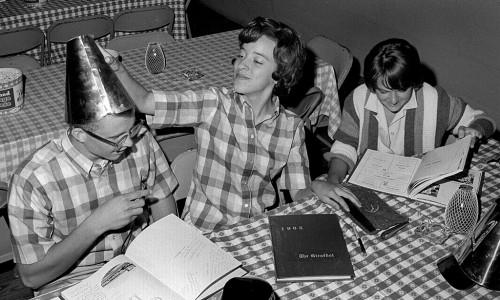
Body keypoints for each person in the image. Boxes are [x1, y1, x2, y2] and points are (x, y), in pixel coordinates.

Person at [101, 16, 360, 233]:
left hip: (256, 231)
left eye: (257, 61)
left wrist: (317, 185)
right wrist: (115, 68)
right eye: (241, 55)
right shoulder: (214, 103)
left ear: (280, 76)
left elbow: (298, 192)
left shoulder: (291, 129)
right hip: (205, 232)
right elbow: (146, 102)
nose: (241, 65)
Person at [8, 36, 178, 295]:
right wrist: (96, 225)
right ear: (79, 135)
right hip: (70, 282)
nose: (130, 143)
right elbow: (32, 277)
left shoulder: (139, 139)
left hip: (137, 263)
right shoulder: (33, 178)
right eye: (116, 139)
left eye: (132, 130)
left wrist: (170, 259)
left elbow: (163, 199)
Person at [323, 38, 496, 185]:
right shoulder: (357, 99)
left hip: (417, 183)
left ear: (413, 82)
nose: (393, 100)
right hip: (369, 181)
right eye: (383, 91)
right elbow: (345, 146)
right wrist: (333, 181)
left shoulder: (435, 100)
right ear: (372, 86)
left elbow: (484, 120)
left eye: (401, 90)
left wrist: (475, 130)